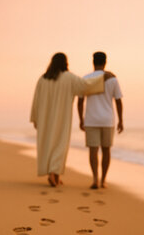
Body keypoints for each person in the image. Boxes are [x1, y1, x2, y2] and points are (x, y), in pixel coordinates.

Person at [30, 52, 109, 187]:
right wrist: (103, 77)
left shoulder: (42, 79)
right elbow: (85, 85)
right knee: (60, 144)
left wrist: (35, 118)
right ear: (65, 63)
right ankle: (54, 174)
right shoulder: (68, 77)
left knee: (48, 144)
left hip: (45, 119)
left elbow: (36, 100)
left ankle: (54, 175)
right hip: (61, 118)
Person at [77, 51, 124, 189]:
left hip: (91, 119)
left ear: (93, 62)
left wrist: (81, 119)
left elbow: (80, 101)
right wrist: (121, 120)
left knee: (93, 150)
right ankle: (103, 180)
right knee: (106, 150)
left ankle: (95, 179)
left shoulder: (85, 78)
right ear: (105, 62)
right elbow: (118, 101)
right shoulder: (112, 79)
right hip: (107, 120)